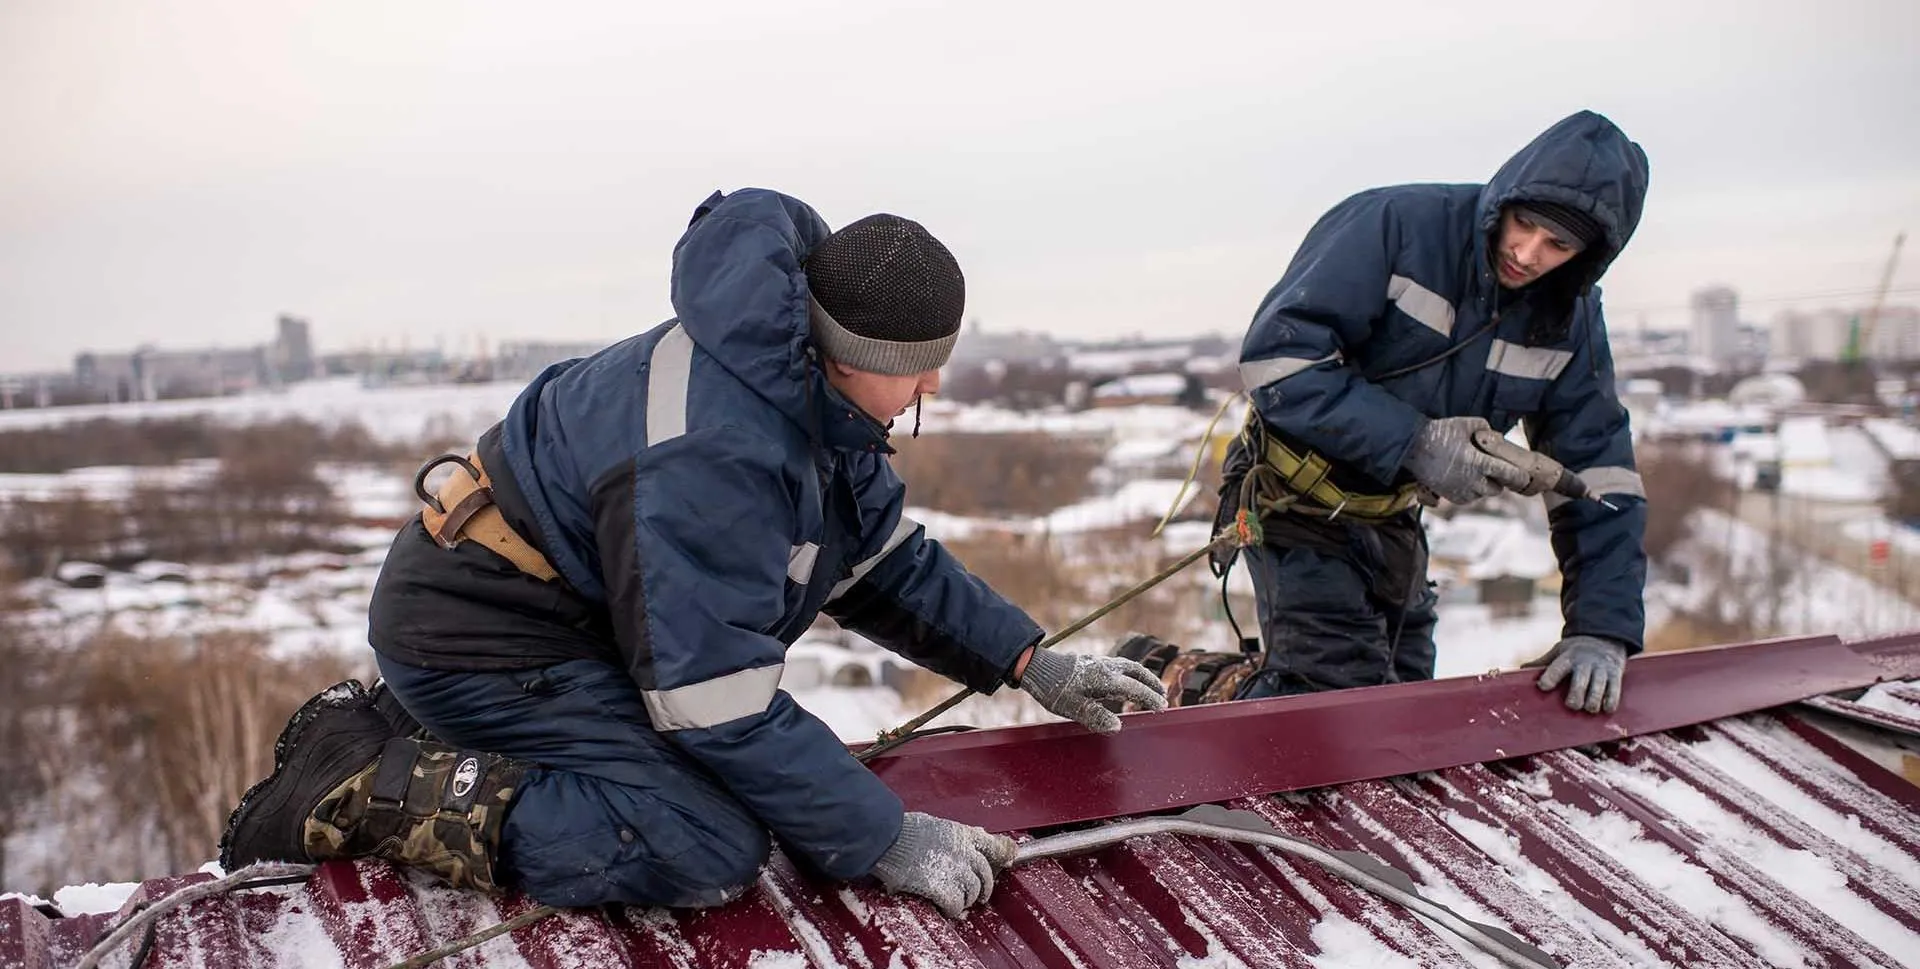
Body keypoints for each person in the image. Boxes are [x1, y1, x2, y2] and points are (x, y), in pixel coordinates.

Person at [220, 189, 1167, 918]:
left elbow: (880, 564)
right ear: (849, 349)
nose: (932, 385)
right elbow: (713, 698)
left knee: (745, 789)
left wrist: (1032, 659)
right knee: (701, 843)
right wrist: (883, 835)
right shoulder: (711, 451)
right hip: (489, 642)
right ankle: (358, 777)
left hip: (586, 628)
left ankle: (460, 740)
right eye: (917, 365)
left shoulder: (801, 388)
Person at [1211, 110, 1650, 713]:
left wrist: (1603, 625)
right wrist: (1414, 442)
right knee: (1342, 703)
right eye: (1524, 225)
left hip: (1392, 516)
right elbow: (1276, 361)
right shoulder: (1393, 226)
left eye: (1558, 245)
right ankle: (1190, 687)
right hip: (1295, 498)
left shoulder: (1570, 324)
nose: (1527, 252)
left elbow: (1600, 472)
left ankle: (1229, 688)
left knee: (1410, 695)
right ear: (1507, 199)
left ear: (1589, 255)